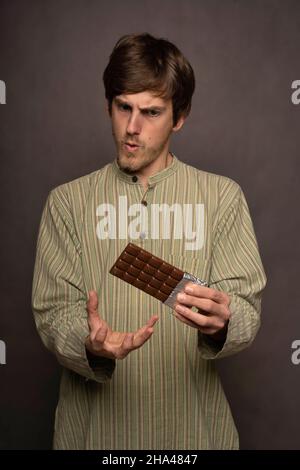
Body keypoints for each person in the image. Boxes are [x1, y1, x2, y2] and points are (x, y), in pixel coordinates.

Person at [31, 33, 266, 450]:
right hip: (94, 438)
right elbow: (52, 314)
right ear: (109, 106)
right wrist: (89, 342)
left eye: (152, 112)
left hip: (196, 436)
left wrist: (223, 324)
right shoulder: (67, 202)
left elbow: (245, 307)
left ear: (179, 118)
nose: (132, 128)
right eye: (124, 108)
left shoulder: (223, 197)